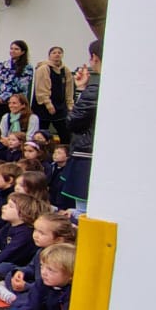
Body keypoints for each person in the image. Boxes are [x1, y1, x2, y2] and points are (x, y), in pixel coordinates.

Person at [61, 39, 102, 213]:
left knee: (83, 211)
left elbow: (73, 122)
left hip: (86, 155)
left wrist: (81, 91)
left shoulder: (96, 88)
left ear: (94, 58)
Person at [32, 46, 74, 144]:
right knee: (41, 132)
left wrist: (70, 104)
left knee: (65, 132)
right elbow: (41, 88)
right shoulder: (44, 68)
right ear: (49, 55)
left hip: (60, 106)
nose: (57, 54)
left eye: (59, 52)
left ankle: (66, 151)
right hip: (43, 106)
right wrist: (48, 103)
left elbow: (69, 88)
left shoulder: (66, 70)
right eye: (54, 52)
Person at [0, 40, 34, 124]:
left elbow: (21, 86)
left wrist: (4, 96)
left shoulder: (27, 68)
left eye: (16, 49)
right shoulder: (2, 65)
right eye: (11, 48)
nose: (13, 51)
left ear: (23, 52)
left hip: (16, 102)